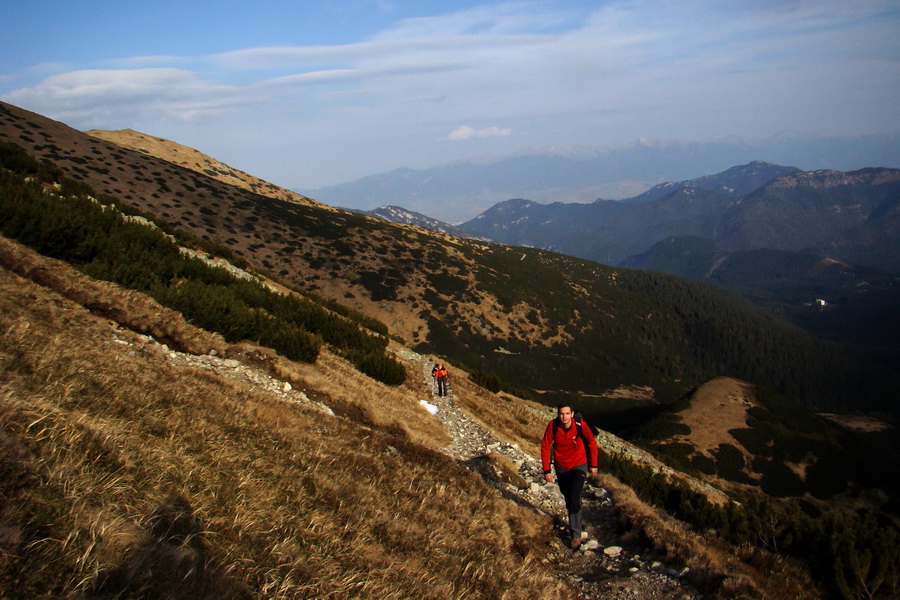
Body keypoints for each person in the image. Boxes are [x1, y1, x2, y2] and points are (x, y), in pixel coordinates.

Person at [540, 403, 598, 549]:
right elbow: (545, 446)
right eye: (561, 414)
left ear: (572, 414)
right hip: (561, 467)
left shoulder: (580, 425)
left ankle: (576, 534)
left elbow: (591, 443)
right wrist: (547, 470)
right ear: (558, 414)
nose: (564, 417)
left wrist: (593, 465)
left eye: (567, 413)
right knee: (568, 497)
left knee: (573, 496)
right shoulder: (553, 426)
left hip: (579, 465)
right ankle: (576, 518)